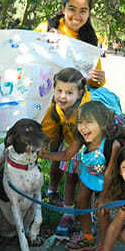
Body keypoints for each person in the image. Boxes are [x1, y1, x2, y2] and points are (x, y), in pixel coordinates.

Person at [35, 0, 106, 208]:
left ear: (89, 13)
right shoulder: (47, 28)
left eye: (83, 11)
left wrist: (99, 78)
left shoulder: (88, 40)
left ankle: (61, 195)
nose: (77, 15)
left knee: (67, 149)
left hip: (71, 108)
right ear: (63, 8)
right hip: (46, 102)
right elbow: (27, 51)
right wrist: (46, 40)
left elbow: (93, 81)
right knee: (49, 145)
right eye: (72, 9)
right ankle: (49, 190)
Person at [40, 101, 125, 251]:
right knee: (81, 203)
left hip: (105, 181)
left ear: (102, 124)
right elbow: (66, 155)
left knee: (102, 211)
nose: (82, 127)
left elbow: (109, 174)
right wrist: (44, 154)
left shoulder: (112, 145)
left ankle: (102, 245)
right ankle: (87, 237)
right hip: (87, 176)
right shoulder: (81, 139)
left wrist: (104, 196)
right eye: (80, 122)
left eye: (88, 122)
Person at [40, 68, 92, 238]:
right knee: (70, 178)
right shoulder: (56, 108)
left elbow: (68, 154)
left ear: (80, 93)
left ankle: (88, 217)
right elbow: (48, 129)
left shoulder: (85, 112)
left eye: (69, 92)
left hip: (90, 150)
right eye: (59, 91)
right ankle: (68, 214)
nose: (63, 96)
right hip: (71, 143)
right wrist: (42, 145)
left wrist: (45, 155)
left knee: (86, 186)